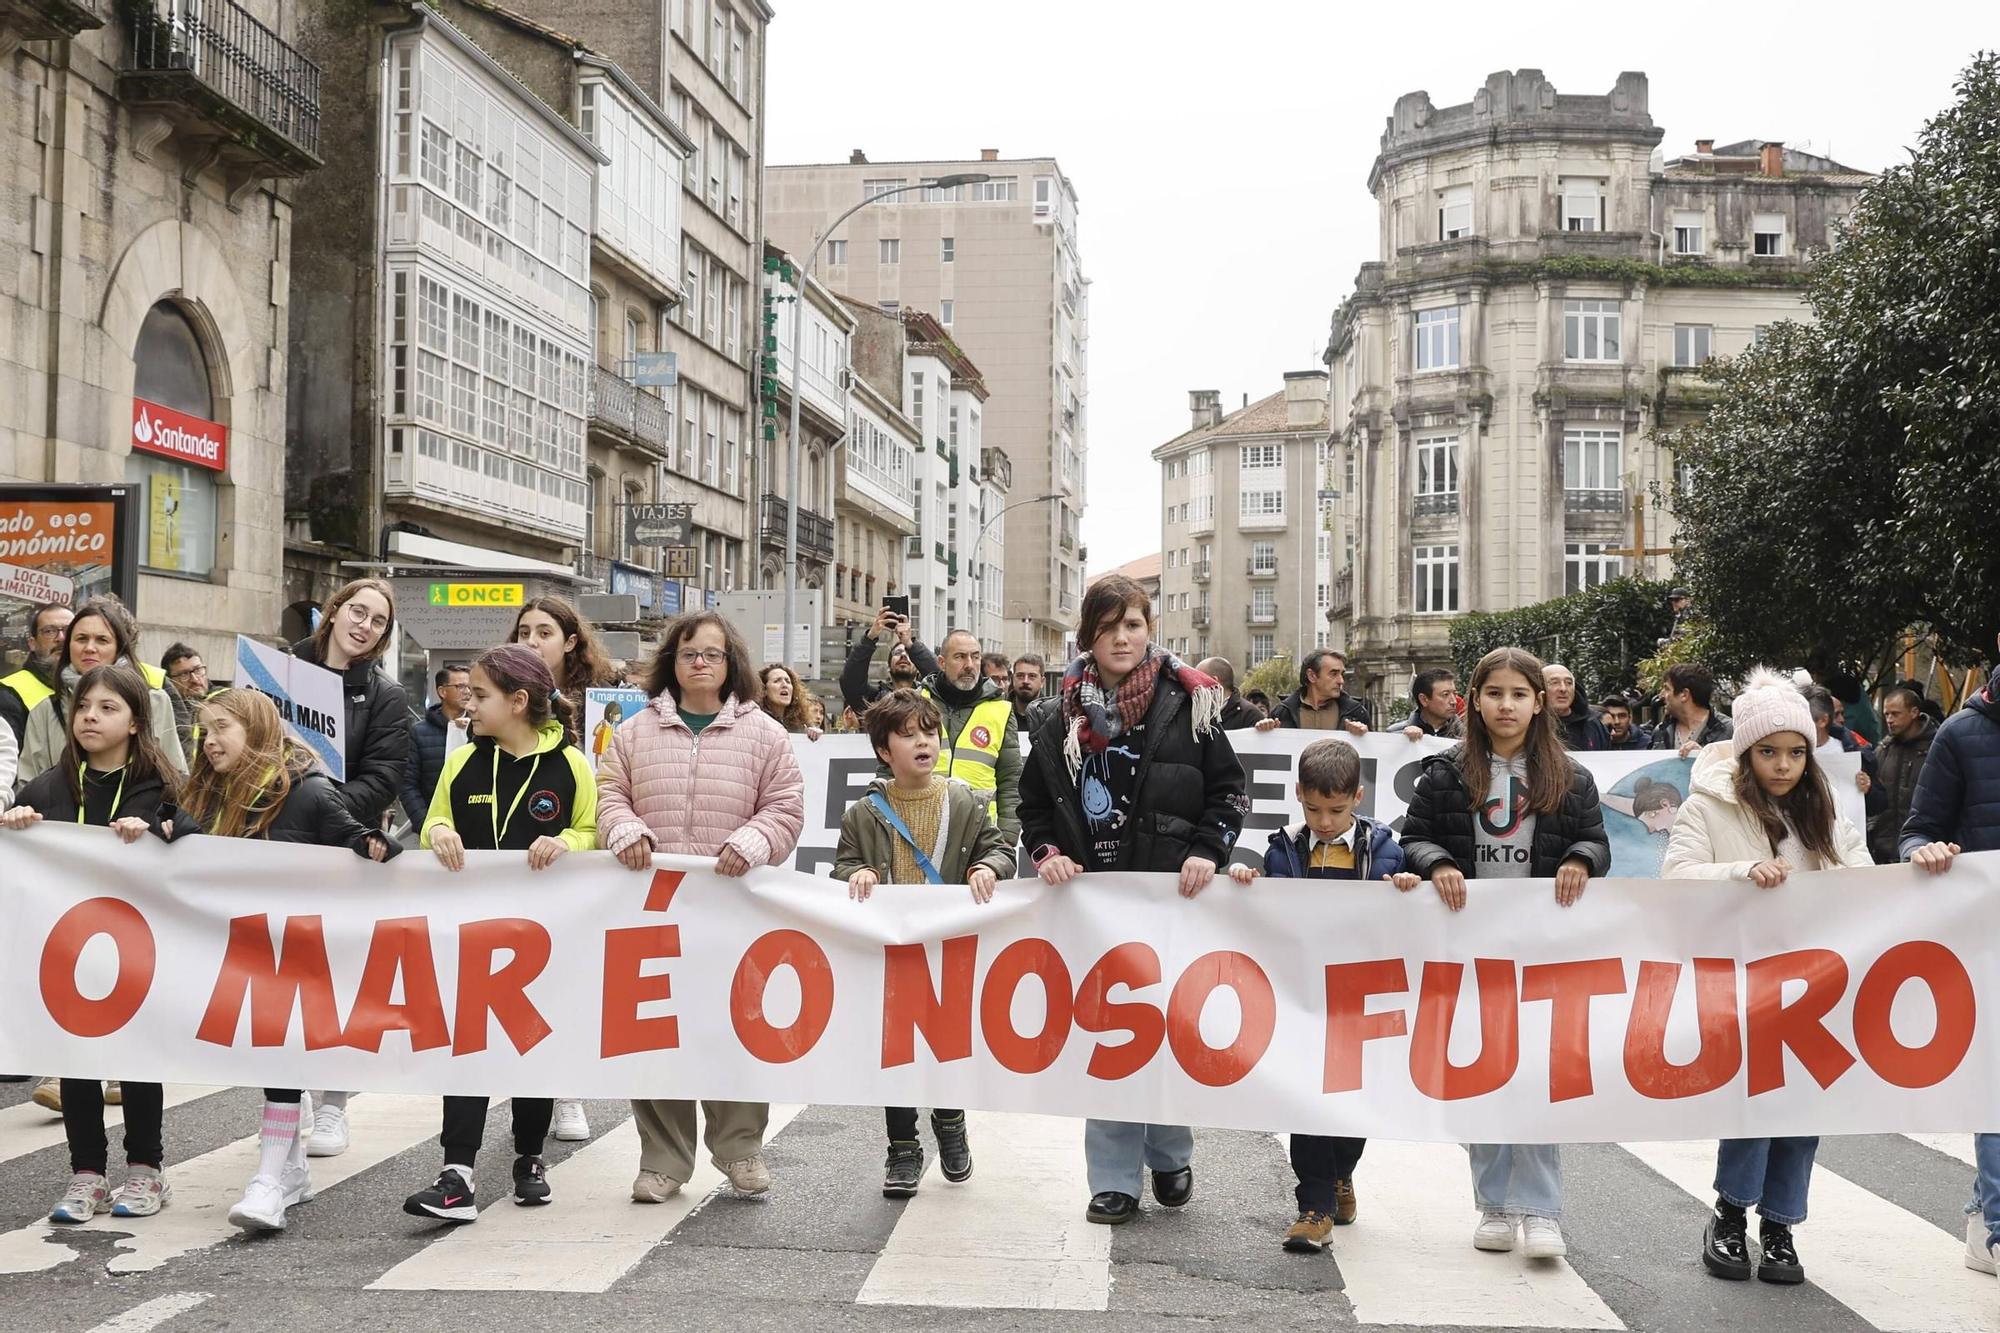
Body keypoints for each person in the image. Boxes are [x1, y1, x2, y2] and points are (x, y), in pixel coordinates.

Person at [1017, 574, 1247, 1226]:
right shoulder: (1051, 714)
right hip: (1091, 908)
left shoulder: (1190, 704)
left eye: (1135, 624)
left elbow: (1228, 791)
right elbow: (1034, 808)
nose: (1123, 636)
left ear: (1150, 630)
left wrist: (1209, 849)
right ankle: (1113, 1179)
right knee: (1109, 1037)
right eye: (1110, 625)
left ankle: (1170, 1150)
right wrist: (1046, 853)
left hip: (1173, 900)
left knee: (1168, 1032)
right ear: (1089, 634)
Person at [1398, 647, 1610, 1260]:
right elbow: (1413, 839)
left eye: (1519, 694)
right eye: (1495, 693)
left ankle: (1541, 1211)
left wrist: (1579, 860)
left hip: (1544, 948)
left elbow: (1597, 841)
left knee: (1542, 1076)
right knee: (1485, 1073)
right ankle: (1493, 1205)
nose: (1507, 705)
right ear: (1475, 701)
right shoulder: (1444, 774)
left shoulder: (1572, 777)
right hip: (1469, 948)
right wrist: (1436, 863)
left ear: (1539, 702)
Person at [1662, 669, 1871, 1285]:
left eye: (1796, 752)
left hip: (1816, 982)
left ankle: (1780, 1226)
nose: (1784, 765)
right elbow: (1675, 876)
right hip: (1742, 978)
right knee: (1752, 1105)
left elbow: (1865, 879)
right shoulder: (1708, 805)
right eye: (1770, 751)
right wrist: (1741, 870)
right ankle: (1730, 1215)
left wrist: (1923, 868)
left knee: (1802, 1112)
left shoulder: (1824, 813)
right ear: (1747, 752)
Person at [162, 687, 396, 1231]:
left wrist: (374, 846)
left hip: (297, 954)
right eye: (205, 729)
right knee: (269, 1058)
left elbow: (356, 843)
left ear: (257, 730)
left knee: (280, 1059)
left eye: (222, 727)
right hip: (238, 953)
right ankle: (288, 1169)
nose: (209, 740)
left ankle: (270, 1179)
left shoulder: (308, 793)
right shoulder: (206, 794)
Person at [598, 610, 806, 1204]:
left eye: (712, 654)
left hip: (731, 913)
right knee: (657, 1032)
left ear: (730, 663)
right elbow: (608, 793)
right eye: (689, 653)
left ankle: (740, 1148)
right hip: (653, 910)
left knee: (733, 1027)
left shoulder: (764, 733)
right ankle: (663, 1160)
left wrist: (752, 842)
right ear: (672, 660)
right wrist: (624, 829)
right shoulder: (635, 732)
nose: (700, 663)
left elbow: (786, 808)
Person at [405, 645, 595, 1223]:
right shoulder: (463, 761)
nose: (468, 703)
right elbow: (435, 819)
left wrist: (565, 842)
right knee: (470, 1048)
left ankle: (529, 1157)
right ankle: (456, 1173)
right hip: (473, 929)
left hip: (544, 936)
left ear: (518, 702)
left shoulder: (572, 765)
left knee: (531, 1045)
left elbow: (591, 830)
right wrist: (437, 832)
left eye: (480, 695)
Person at [3, 664, 182, 1222]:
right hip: (68, 952)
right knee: (74, 1057)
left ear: (135, 722)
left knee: (134, 1060)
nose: (91, 717)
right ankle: (86, 1175)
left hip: (140, 949)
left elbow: (195, 844)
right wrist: (16, 826)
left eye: (108, 708)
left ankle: (146, 1171)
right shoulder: (47, 788)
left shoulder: (162, 786)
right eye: (84, 707)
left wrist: (159, 832)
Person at [1225, 738, 1414, 1253]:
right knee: (1308, 1099)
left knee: (1354, 1099)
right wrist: (1249, 879)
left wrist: (1402, 887)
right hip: (1304, 995)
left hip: (1359, 997)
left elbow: (1398, 911)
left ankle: (1340, 1175)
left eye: (1336, 809)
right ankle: (1314, 1205)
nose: (1325, 821)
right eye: (1313, 808)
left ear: (1358, 796)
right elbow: (1272, 904)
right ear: (1297, 796)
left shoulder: (1385, 848)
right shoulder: (1284, 847)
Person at [836, 692, 1013, 1197]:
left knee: (946, 1044)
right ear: (884, 750)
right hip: (892, 950)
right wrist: (859, 871)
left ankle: (951, 1125)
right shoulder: (864, 814)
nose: (923, 743)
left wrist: (987, 867)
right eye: (909, 734)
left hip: (948, 946)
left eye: (930, 733)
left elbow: (998, 848)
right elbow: (843, 867)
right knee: (898, 1053)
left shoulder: (965, 802)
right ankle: (903, 1148)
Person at [291, 578, 410, 1159]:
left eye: (378, 621)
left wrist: (325, 808)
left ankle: (332, 1105)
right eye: (357, 611)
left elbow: (383, 777)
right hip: (278, 843)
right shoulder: (276, 671)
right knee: (281, 979)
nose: (364, 625)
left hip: (343, 848)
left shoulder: (385, 698)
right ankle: (287, 1106)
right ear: (334, 612)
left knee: (335, 980)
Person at [1899, 649, 2000, 1278]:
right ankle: (1997, 1224)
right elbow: (1916, 829)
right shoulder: (1961, 735)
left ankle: (1982, 1210)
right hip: (1985, 939)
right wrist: (1927, 850)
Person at [19, 597, 185, 787]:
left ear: (118, 648)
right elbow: (28, 787)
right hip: (60, 816)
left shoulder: (154, 701)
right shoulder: (45, 710)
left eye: (102, 640)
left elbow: (174, 778)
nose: (90, 648)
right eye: (81, 638)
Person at [906, 628, 1023, 842]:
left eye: (975, 657)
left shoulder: (1001, 710)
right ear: (942, 662)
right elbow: (889, 771)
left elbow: (1011, 782)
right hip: (918, 829)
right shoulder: (914, 703)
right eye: (960, 657)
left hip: (980, 835)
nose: (969, 664)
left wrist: (1006, 841)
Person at [513, 594, 616, 747]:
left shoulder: (598, 698)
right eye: (524, 634)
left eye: (544, 634)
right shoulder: (503, 691)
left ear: (570, 643)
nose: (530, 642)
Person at [1869, 686, 1936, 864]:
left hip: (1924, 850)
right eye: (1886, 714)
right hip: (1883, 850)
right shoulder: (1883, 750)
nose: (1889, 720)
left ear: (1914, 712)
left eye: (1895, 714)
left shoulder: (1936, 748)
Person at [401, 665, 470, 827]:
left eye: (470, 686)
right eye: (460, 686)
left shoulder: (482, 729)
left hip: (474, 829)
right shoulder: (419, 732)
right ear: (442, 692)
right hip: (435, 827)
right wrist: (427, 825)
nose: (467, 692)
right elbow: (407, 785)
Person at [1800, 683, 1882, 816]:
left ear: (1822, 721)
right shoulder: (1789, 754)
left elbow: (1880, 805)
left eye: (1802, 718)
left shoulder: (1853, 751)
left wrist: (1868, 789)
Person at [1, 601, 72, 745]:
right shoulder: (9, 693)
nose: (61, 638)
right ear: (32, 643)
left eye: (69, 631)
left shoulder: (89, 684)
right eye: (49, 631)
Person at [1257, 649, 1371, 735]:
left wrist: (1364, 736)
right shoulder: (1282, 713)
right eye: (1333, 674)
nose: (1341, 681)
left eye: (1342, 674)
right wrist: (1265, 733)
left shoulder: (1356, 713)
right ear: (1312, 676)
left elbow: (1371, 756)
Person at [840, 605, 922, 710]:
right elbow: (850, 681)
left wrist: (911, 644)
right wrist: (870, 637)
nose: (903, 655)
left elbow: (939, 674)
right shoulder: (874, 701)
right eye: (897, 652)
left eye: (909, 654)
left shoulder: (929, 700)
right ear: (888, 668)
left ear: (918, 667)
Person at [1650, 663, 1734, 756]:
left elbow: (1739, 768)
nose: (1661, 696)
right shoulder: (1661, 731)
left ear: (1684, 695)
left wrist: (1703, 756)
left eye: (1667, 689)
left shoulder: (1728, 731)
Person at [159, 642, 218, 761]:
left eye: (198, 670)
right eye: (184, 674)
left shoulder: (223, 702)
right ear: (170, 681)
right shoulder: (164, 713)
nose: (195, 679)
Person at [1543, 665, 1607, 751]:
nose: (1563, 688)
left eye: (1569, 683)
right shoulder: (1530, 723)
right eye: (1554, 682)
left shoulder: (1593, 724)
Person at [1196, 656, 1266, 730]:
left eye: (1197, 679)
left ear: (1213, 683)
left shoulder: (1250, 715)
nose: (1193, 686)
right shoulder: (1196, 714)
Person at [758, 662, 823, 739]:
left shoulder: (801, 725)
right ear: (764, 689)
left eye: (788, 681)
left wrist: (815, 735)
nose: (784, 685)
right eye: (777, 681)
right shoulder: (755, 721)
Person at [1398, 668, 1461, 740]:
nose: (1454, 701)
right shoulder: (1396, 735)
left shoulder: (1468, 737)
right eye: (1445, 694)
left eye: (1455, 694)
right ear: (1424, 700)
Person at [1010, 654, 1048, 731]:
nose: (1025, 681)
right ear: (1013, 679)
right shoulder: (1000, 712)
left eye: (1032, 676)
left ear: (1042, 682)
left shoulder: (1052, 716)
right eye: (1020, 675)